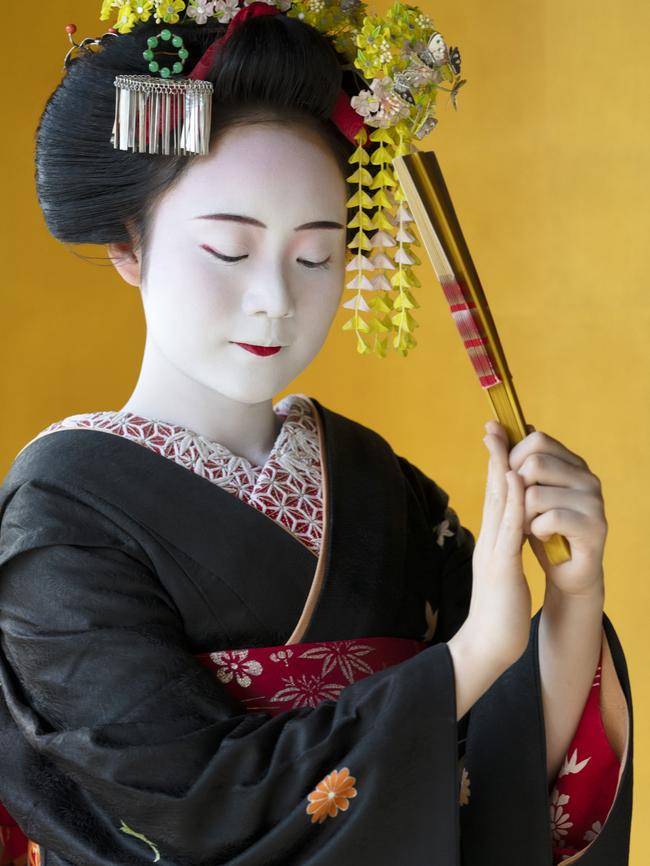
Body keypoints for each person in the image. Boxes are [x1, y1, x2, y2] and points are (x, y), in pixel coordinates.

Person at [0, 3, 632, 865]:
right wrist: (478, 650)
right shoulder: (60, 513)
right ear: (129, 247)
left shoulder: (377, 484)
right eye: (229, 250)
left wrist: (573, 597)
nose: (276, 298)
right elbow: (195, 810)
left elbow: (505, 763)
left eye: (316, 256)